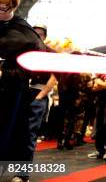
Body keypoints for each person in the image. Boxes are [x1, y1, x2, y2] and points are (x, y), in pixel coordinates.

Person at [0, 0, 45, 182]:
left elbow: (34, 62)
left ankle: (21, 173)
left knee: (18, 131)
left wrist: (6, 72)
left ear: (13, 6)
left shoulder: (26, 34)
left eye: (3, 8)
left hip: (13, 90)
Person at [25, 25, 56, 164]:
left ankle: (22, 174)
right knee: (14, 131)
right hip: (22, 93)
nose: (37, 36)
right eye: (34, 33)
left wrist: (41, 95)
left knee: (29, 134)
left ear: (45, 36)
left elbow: (54, 77)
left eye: (40, 34)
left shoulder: (51, 53)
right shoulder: (24, 51)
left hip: (38, 93)